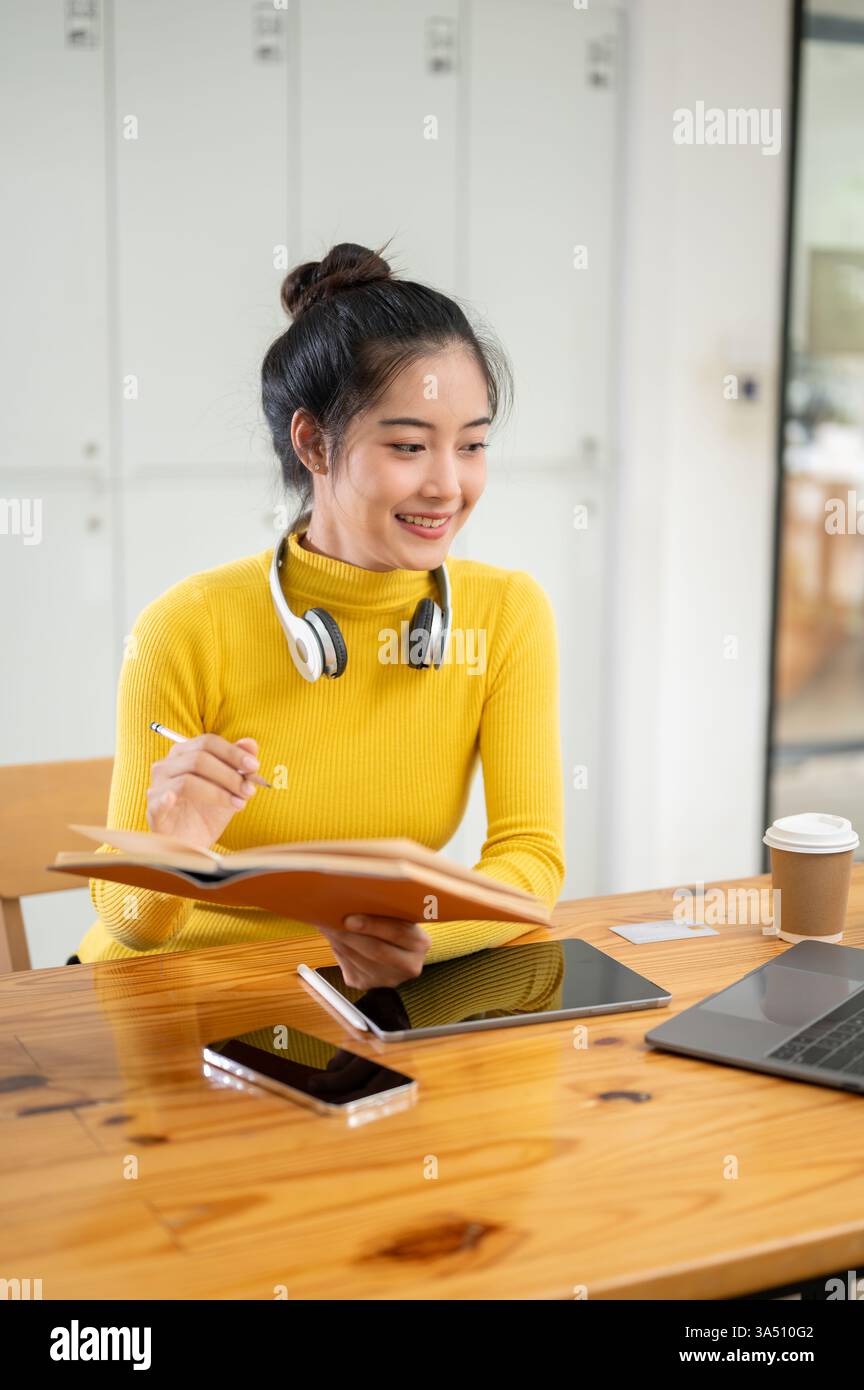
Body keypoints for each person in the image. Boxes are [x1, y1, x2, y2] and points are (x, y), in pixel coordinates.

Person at [73, 240, 565, 987]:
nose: (448, 485)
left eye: (471, 447)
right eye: (408, 445)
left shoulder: (506, 615)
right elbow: (128, 923)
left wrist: (426, 933)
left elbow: (531, 858)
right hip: (170, 996)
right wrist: (175, 843)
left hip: (359, 996)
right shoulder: (186, 627)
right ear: (314, 442)